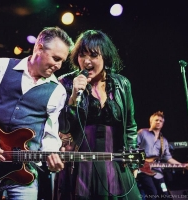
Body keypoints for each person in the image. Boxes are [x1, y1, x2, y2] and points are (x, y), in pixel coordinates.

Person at [0, 26, 74, 199]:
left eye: (62, 61)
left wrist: (52, 154)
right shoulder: (2, 66)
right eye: (56, 58)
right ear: (39, 47)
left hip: (24, 174)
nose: (58, 66)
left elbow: (49, 135)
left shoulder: (58, 90)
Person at [54, 30, 141, 200]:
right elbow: (62, 127)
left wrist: (133, 161)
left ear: (105, 57)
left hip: (115, 161)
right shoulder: (65, 82)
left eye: (93, 55)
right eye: (81, 55)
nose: (86, 61)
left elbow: (130, 126)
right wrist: (73, 97)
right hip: (80, 164)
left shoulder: (122, 84)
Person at [136, 111, 188, 199]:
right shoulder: (142, 133)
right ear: (151, 122)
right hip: (142, 168)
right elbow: (132, 148)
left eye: (161, 121)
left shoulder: (164, 141)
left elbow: (168, 158)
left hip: (157, 169)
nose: (158, 122)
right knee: (152, 193)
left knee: (165, 194)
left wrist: (183, 166)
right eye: (156, 120)